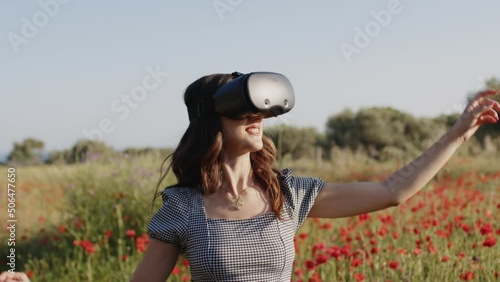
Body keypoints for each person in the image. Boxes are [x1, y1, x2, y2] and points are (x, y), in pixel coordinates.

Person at [2, 73, 498, 282]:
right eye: (241, 109)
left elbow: (393, 192)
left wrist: (457, 133)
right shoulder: (181, 208)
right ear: (210, 120)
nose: (255, 117)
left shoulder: (288, 193)